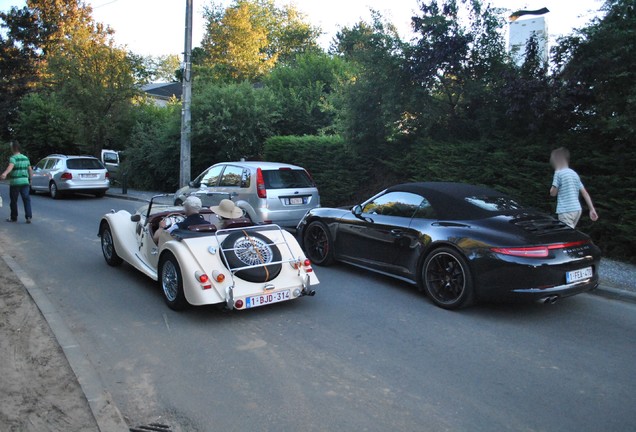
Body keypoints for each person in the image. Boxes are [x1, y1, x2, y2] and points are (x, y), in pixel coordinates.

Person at [549, 147, 598, 229]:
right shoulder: (574, 174)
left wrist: (553, 185)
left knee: (566, 236)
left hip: (566, 211)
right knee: (570, 233)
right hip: (577, 210)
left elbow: (553, 193)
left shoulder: (558, 173)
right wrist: (592, 209)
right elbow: (585, 193)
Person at [0, 142, 33, 223]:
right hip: (25, 181)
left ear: (13, 148)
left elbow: (10, 166)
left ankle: (14, 217)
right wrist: (30, 179)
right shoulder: (25, 158)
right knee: (26, 199)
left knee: (14, 200)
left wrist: (5, 173)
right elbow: (30, 170)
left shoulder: (13, 158)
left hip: (15, 182)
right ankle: (28, 217)